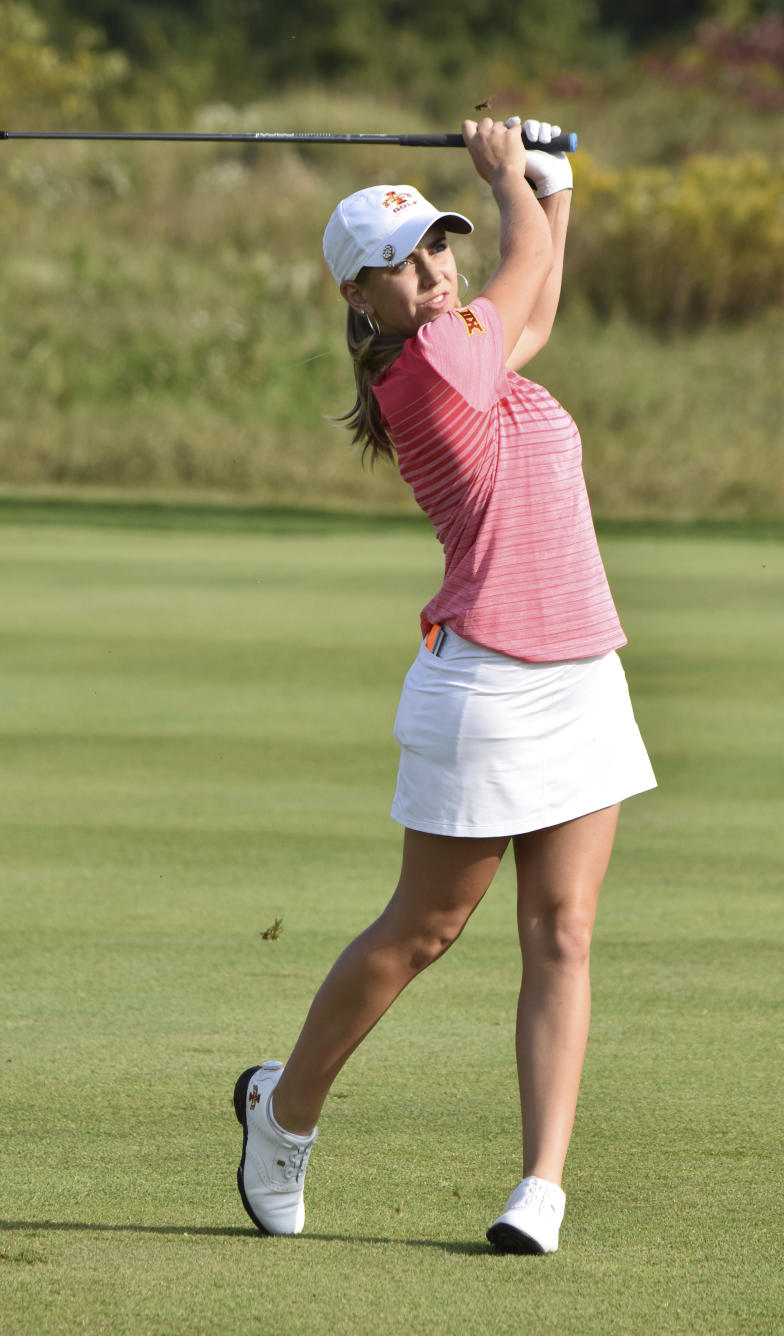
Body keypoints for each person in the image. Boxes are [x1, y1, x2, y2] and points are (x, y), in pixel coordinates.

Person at [233, 116, 656, 1255]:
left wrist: (557, 189)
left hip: (582, 675)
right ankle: (284, 1115)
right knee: (425, 928)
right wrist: (516, 183)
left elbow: (539, 302)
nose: (433, 269)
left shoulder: (472, 341)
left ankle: (541, 1189)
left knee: (563, 931)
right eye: (404, 262)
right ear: (360, 301)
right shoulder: (424, 365)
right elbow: (522, 277)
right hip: (486, 688)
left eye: (438, 247)